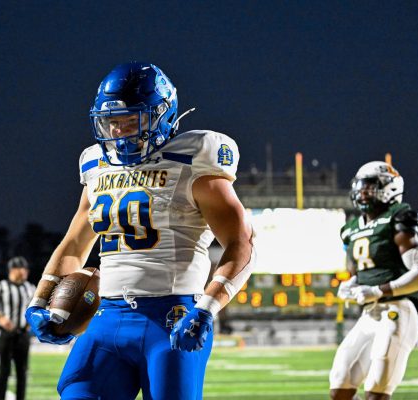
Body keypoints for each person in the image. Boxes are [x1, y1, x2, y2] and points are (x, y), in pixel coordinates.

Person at [25, 61, 256, 400]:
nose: (119, 131)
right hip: (105, 316)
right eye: (111, 122)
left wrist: (207, 308)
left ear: (162, 114)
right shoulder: (96, 165)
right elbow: (75, 244)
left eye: (130, 120)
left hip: (171, 319)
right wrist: (39, 300)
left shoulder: (194, 159)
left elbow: (242, 244)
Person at [329, 161, 418, 400]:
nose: (363, 191)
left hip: (398, 311)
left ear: (390, 187)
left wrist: (378, 290)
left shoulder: (397, 217)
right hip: (369, 314)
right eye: (361, 186)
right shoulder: (352, 229)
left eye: (370, 186)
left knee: (377, 391)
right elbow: (365, 269)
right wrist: (352, 283)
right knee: (340, 384)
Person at [0, 256, 35, 400]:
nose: (25, 272)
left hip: (23, 334)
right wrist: (0, 318)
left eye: (26, 269)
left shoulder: (30, 287)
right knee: (4, 370)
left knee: (22, 371)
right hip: (5, 334)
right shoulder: (1, 286)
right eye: (22, 269)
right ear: (13, 270)